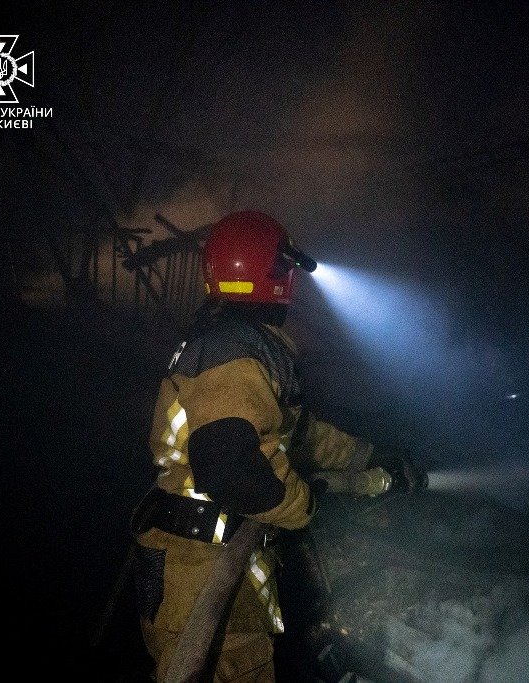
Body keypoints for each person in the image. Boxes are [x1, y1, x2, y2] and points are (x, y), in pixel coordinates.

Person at [130, 210, 425, 682]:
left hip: (202, 555)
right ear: (278, 275)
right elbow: (233, 470)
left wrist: (369, 457)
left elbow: (294, 434)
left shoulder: (234, 347)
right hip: (203, 567)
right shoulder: (238, 353)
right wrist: (299, 504)